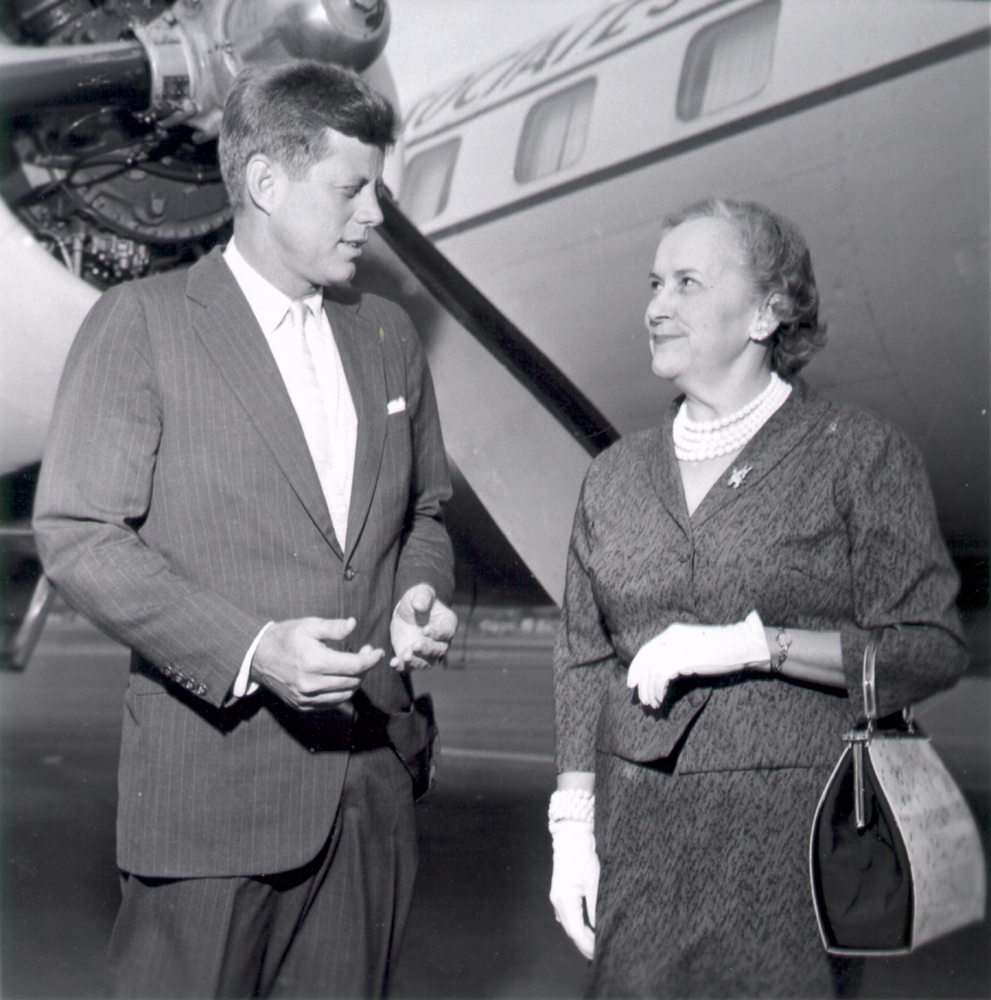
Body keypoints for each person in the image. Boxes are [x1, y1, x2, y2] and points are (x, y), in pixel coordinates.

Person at [33, 61, 457, 999]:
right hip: (209, 805)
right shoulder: (141, 324)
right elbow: (79, 533)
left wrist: (420, 594)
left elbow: (424, 512)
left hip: (371, 799)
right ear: (265, 183)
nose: (375, 218)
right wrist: (254, 649)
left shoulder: (387, 334)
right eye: (352, 190)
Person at [547, 198, 967, 997]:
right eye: (653, 283)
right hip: (636, 841)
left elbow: (927, 650)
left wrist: (756, 644)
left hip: (788, 843)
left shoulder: (859, 455)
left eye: (687, 283)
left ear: (768, 311)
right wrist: (570, 826)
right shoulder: (614, 474)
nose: (655, 306)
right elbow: (581, 654)